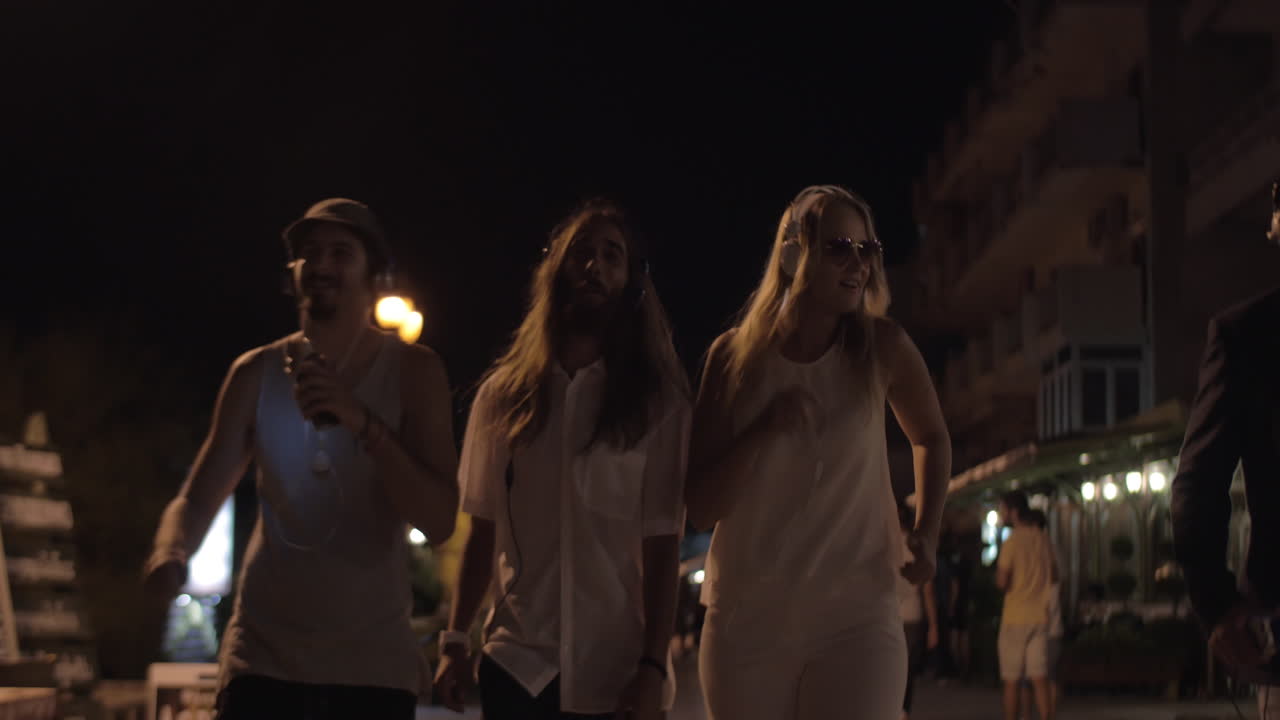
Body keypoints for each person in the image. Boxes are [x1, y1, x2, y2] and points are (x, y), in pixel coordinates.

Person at [143, 198, 461, 719]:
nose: (322, 265)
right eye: (309, 253)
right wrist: (169, 554)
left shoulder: (414, 372)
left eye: (341, 252)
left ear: (374, 274)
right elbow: (197, 500)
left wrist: (362, 422)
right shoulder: (254, 372)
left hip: (372, 672)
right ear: (291, 274)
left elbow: (441, 519)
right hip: (262, 668)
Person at [685, 185, 951, 720]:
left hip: (857, 617)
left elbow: (931, 438)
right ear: (792, 256)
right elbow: (699, 506)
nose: (857, 263)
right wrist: (763, 430)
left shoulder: (884, 347)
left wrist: (927, 530)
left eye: (866, 249)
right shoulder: (733, 358)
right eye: (838, 248)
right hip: (747, 622)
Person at [432, 199, 691, 719]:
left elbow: (663, 548)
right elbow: (482, 531)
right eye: (581, 254)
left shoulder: (658, 405)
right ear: (554, 270)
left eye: (611, 255)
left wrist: (653, 667)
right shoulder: (502, 398)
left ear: (631, 281)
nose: (594, 267)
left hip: (615, 674)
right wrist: (455, 641)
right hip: (517, 666)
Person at [1172, 179, 1280, 719]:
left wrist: (1216, 604)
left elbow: (1198, 483)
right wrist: (1214, 603)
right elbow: (1197, 484)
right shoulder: (1247, 335)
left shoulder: (1249, 334)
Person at [995, 491, 1058, 720]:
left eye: (1003, 509)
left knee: (1011, 680)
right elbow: (1055, 576)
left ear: (1013, 511)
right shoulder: (1043, 539)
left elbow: (1002, 582)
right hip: (1040, 617)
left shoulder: (1012, 542)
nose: (1001, 514)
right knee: (1039, 677)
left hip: (1015, 616)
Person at [1019, 509, 1061, 720]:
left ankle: (1033, 715)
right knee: (1046, 677)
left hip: (1040, 624)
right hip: (1051, 625)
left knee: (1033, 677)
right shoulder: (1050, 549)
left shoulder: (1039, 549)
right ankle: (1045, 715)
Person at [898, 505, 939, 720]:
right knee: (908, 670)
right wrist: (933, 626)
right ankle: (904, 710)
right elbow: (928, 590)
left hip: (891, 615)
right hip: (913, 615)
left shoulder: (885, 544)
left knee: (890, 669)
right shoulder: (916, 546)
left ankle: (894, 709)